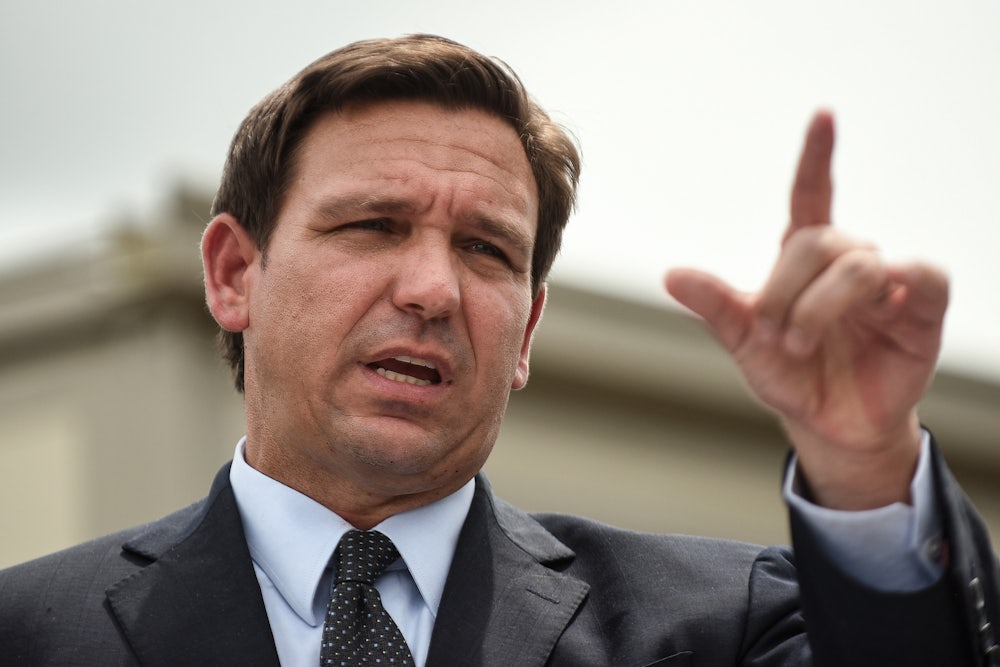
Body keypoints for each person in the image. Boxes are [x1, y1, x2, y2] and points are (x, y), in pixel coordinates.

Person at [0, 33, 997, 667]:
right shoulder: (31, 632)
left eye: (485, 250)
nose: (433, 290)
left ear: (525, 331)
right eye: (374, 225)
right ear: (232, 274)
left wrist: (864, 462)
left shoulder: (722, 627)